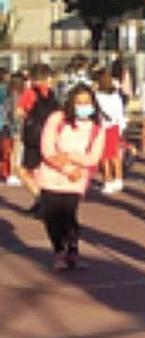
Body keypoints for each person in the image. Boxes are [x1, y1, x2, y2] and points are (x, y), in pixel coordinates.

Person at [37, 83, 105, 271]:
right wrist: (65, 167)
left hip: (76, 179)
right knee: (51, 216)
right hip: (51, 176)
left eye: (87, 102)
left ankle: (72, 251)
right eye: (79, 102)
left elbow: (93, 157)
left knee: (68, 215)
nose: (83, 106)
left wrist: (70, 157)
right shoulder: (57, 119)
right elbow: (47, 149)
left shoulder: (97, 128)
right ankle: (58, 251)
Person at [17, 63, 58, 212]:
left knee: (23, 170)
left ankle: (40, 197)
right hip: (49, 135)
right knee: (41, 169)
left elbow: (19, 112)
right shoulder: (52, 93)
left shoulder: (30, 93)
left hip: (33, 136)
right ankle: (41, 200)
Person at [93, 71, 126, 194]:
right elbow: (120, 113)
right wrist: (121, 128)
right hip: (115, 127)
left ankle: (108, 181)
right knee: (115, 155)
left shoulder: (96, 96)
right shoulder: (116, 96)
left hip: (103, 128)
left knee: (104, 157)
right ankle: (118, 179)